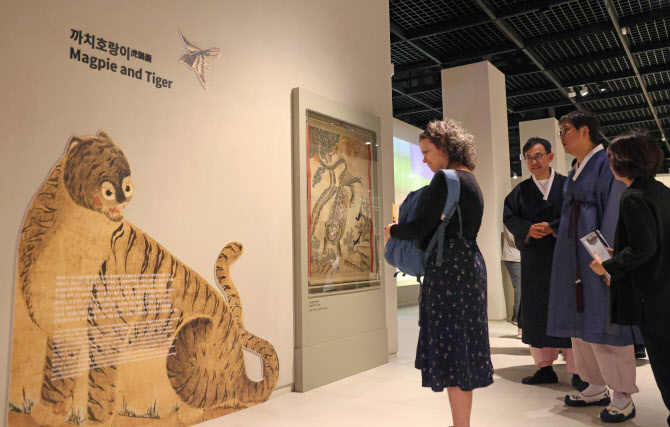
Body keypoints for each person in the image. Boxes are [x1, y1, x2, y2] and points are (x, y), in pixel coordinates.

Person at [384, 119, 493, 427]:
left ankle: (460, 425)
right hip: (468, 266)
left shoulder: (445, 179)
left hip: (449, 272)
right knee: (463, 349)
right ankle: (461, 423)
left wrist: (393, 230)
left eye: (427, 151)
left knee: (453, 351)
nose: (424, 159)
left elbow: (420, 228)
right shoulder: (470, 179)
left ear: (444, 148)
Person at [547, 110, 639, 423]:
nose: (561, 137)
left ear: (585, 131)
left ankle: (623, 395)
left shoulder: (606, 162)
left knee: (605, 320)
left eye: (566, 130)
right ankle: (595, 385)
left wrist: (609, 262)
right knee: (581, 321)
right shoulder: (576, 167)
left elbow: (613, 213)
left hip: (596, 256)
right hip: (574, 256)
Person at [589, 130, 670, 425]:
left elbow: (643, 248)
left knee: (664, 362)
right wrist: (620, 252)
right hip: (665, 288)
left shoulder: (633, 197)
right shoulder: (660, 191)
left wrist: (608, 265)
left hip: (652, 295)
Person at [503, 137, 586, 389]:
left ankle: (578, 370)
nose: (533, 162)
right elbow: (509, 217)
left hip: (566, 259)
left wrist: (553, 227)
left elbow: (578, 213)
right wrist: (527, 229)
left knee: (569, 310)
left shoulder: (568, 185)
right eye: (528, 158)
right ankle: (544, 367)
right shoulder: (519, 192)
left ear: (550, 156)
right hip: (535, 262)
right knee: (537, 312)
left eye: (538, 156)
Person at [501, 225, 521, 329]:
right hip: (513, 257)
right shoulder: (510, 220)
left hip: (518, 257)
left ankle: (517, 315)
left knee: (521, 287)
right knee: (519, 287)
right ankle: (517, 317)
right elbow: (514, 239)